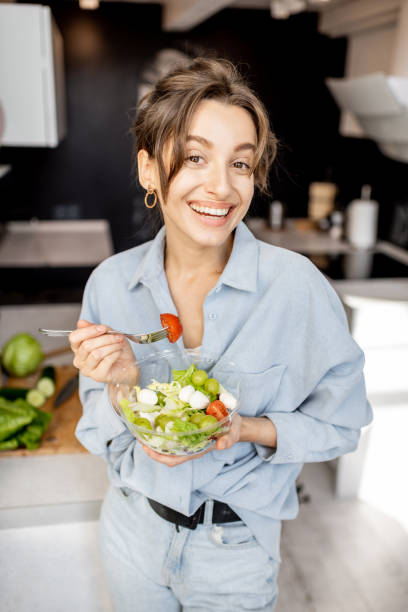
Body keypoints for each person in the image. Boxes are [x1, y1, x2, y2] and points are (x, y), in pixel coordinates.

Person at [70, 58, 372, 612]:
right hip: (132, 533)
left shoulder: (296, 290)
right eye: (193, 157)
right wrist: (119, 389)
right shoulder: (112, 285)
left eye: (240, 163)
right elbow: (97, 425)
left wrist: (250, 428)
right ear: (147, 170)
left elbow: (343, 425)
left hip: (234, 551)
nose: (221, 186)